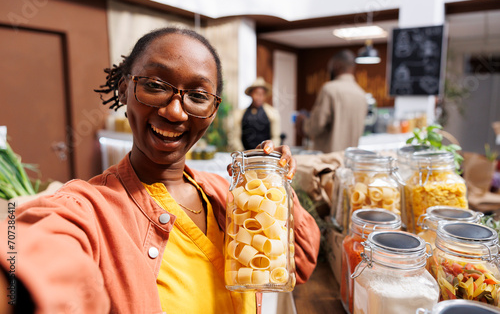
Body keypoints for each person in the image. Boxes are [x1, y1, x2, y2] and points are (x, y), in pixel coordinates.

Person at [0, 27, 320, 314]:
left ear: (212, 111)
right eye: (155, 85)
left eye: (197, 96)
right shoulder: (90, 207)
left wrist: (273, 186)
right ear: (125, 89)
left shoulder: (227, 195)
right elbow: (34, 253)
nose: (175, 111)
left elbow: (300, 261)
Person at [297, 50, 367, 153]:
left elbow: (315, 126)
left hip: (328, 161)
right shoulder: (361, 94)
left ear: (336, 65)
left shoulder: (329, 89)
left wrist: (302, 121)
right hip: (349, 160)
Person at [229, 77, 281, 151]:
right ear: (251, 94)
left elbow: (276, 137)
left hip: (266, 153)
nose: (259, 97)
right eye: (256, 93)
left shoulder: (273, 113)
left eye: (262, 94)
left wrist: (269, 149)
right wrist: (241, 151)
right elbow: (235, 137)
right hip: (245, 154)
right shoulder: (239, 114)